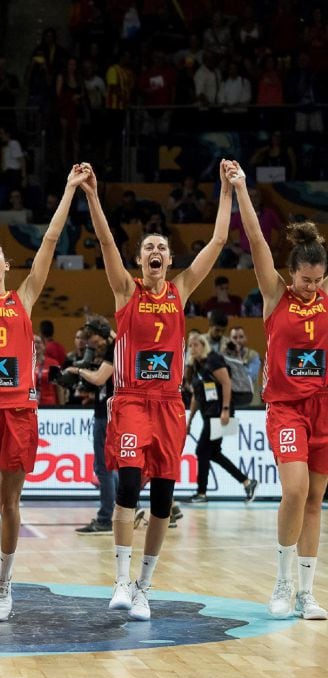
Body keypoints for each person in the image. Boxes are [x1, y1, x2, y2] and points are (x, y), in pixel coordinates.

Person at [83, 159, 235, 622]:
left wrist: (226, 191)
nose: (154, 251)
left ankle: (145, 586)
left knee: (165, 498)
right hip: (130, 402)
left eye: (161, 248)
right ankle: (121, 580)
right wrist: (92, 193)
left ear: (168, 261)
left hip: (169, 405)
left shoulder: (182, 288)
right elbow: (107, 240)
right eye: (148, 246)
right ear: (140, 259)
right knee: (128, 484)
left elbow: (219, 241)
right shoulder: (124, 291)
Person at [0, 163, 87, 622]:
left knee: (10, 504)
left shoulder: (23, 298)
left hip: (18, 414)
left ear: (7, 266)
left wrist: (68, 188)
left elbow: (48, 242)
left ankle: (3, 581)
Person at [230, 161, 328, 620]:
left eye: (317, 281)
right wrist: (242, 188)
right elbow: (255, 240)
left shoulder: (326, 298)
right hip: (287, 408)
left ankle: (307, 592)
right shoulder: (276, 295)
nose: (311, 288)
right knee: (294, 490)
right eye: (305, 280)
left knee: (314, 500)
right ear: (292, 275)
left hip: (324, 407)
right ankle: (283, 580)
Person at [185, 331, 256, 503]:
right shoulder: (196, 366)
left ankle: (201, 493)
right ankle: (247, 482)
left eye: (196, 344)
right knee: (213, 452)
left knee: (202, 450)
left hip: (221, 413)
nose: (192, 348)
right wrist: (190, 419)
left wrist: (225, 409)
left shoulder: (213, 359)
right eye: (190, 345)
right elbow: (196, 395)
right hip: (208, 414)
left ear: (204, 345)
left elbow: (226, 383)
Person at [71, 318, 117, 534]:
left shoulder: (116, 347)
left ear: (104, 333)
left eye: (94, 340)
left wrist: (78, 371)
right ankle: (123, 509)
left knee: (104, 468)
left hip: (108, 415)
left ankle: (106, 518)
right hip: (107, 410)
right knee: (111, 468)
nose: (92, 345)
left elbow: (100, 379)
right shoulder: (113, 346)